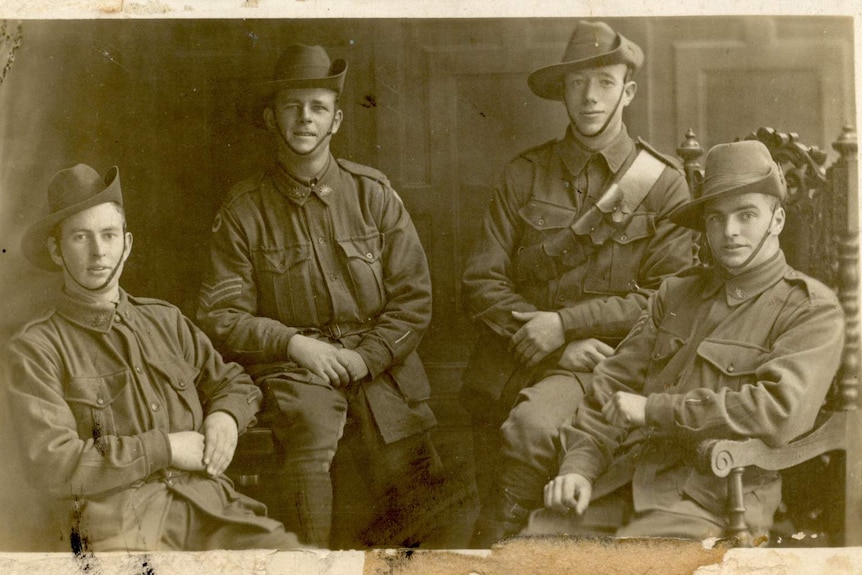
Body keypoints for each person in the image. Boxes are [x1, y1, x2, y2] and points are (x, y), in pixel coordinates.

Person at [526, 140, 844, 540]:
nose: (729, 232)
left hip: (719, 498)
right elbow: (612, 386)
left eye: (746, 215)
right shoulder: (675, 294)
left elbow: (778, 412)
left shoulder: (811, 310)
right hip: (630, 479)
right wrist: (579, 468)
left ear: (777, 220)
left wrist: (655, 410)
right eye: (716, 219)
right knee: (537, 540)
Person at [195, 44, 441, 549]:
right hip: (294, 372)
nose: (305, 118)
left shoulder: (373, 194)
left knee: (415, 471)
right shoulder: (244, 210)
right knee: (309, 440)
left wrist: (364, 357)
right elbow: (220, 314)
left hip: (380, 369)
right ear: (271, 117)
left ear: (336, 119)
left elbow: (414, 300)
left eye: (318, 107)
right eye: (292, 106)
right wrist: (295, 345)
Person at [460, 20, 693, 545]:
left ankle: (504, 546)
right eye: (576, 84)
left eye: (605, 82)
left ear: (627, 92)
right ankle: (498, 549)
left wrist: (566, 324)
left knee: (535, 429)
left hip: (625, 366)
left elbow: (668, 297)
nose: (589, 97)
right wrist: (551, 348)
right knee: (522, 431)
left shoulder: (663, 183)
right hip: (526, 358)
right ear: (562, 92)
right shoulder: (524, 175)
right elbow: (481, 281)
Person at [3, 164, 299, 551]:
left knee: (293, 557)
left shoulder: (166, 321)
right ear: (57, 250)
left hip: (211, 511)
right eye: (80, 237)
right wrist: (167, 448)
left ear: (127, 244)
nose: (98, 251)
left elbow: (233, 382)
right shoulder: (36, 348)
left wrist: (227, 417)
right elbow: (54, 463)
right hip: (117, 531)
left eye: (108, 235)